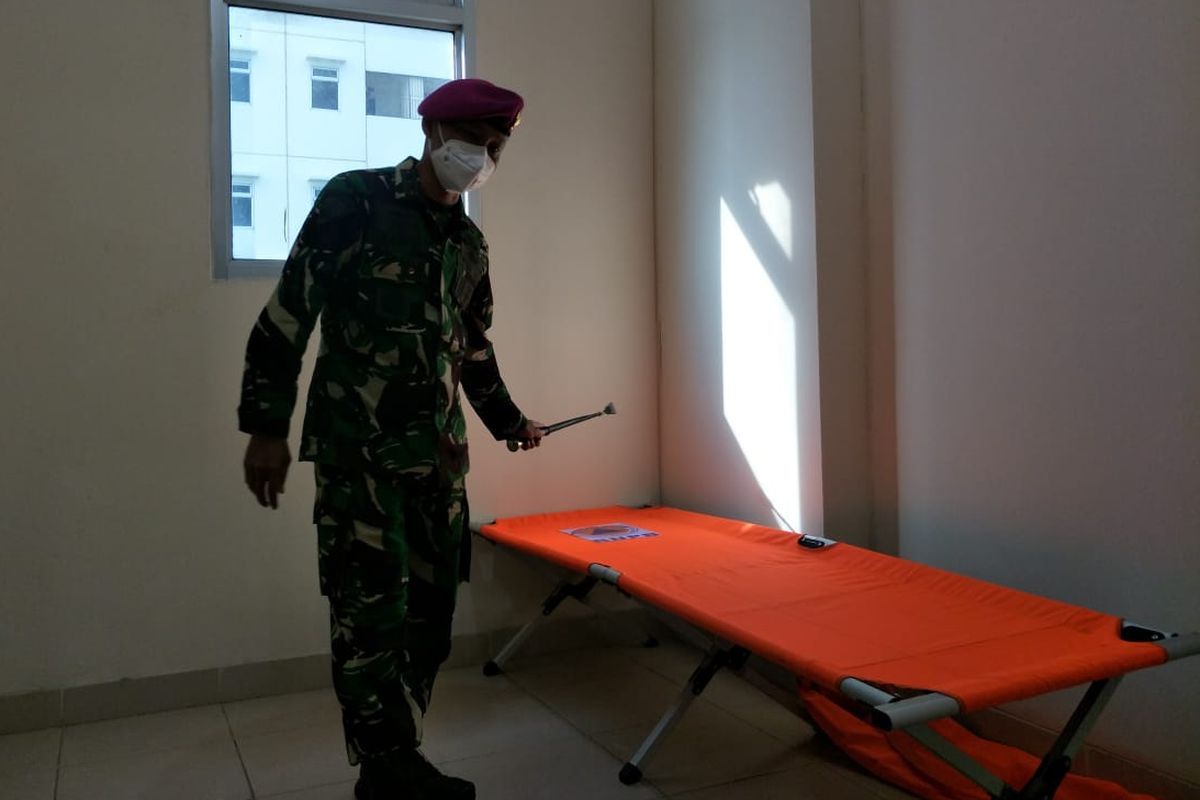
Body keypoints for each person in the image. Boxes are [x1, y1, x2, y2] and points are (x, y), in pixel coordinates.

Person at [237, 78, 542, 800]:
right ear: (434, 134)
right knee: (368, 614)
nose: (484, 159)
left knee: (430, 615)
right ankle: (388, 765)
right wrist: (265, 430)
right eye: (476, 145)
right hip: (360, 456)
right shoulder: (356, 199)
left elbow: (472, 347)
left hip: (439, 462)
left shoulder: (468, 241)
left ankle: (394, 760)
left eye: (496, 149)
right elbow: (287, 314)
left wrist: (508, 422)